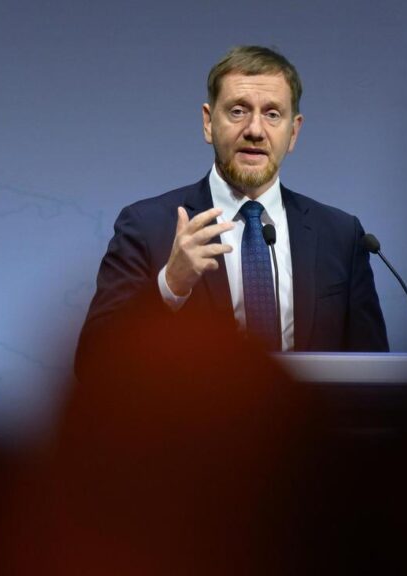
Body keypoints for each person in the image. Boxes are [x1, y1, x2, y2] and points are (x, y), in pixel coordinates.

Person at [76, 46, 387, 380]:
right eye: (238, 111)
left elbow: (375, 375)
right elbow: (93, 363)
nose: (255, 130)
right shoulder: (147, 227)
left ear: (293, 132)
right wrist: (169, 286)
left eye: (272, 114)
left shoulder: (340, 235)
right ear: (208, 122)